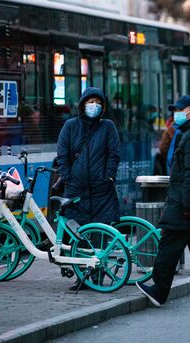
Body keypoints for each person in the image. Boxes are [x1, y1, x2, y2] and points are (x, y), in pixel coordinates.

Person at [136, 95, 190, 308]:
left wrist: (187, 205)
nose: (176, 114)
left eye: (180, 110)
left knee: (168, 245)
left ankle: (159, 291)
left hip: (186, 205)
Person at [55, 87, 121, 291]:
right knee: (79, 236)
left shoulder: (108, 126)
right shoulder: (71, 126)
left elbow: (114, 153)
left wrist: (108, 176)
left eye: (98, 102)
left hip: (102, 191)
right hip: (76, 191)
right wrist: (68, 177)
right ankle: (82, 276)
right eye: (91, 101)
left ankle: (98, 276)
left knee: (99, 236)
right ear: (83, 104)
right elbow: (62, 155)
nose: (95, 106)